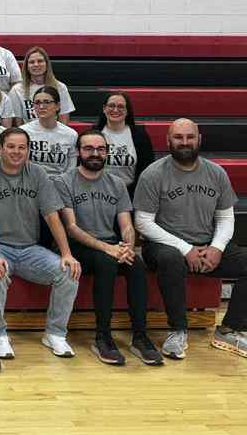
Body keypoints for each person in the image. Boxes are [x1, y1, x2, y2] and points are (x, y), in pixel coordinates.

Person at [134, 118, 247, 360]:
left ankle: (229, 329)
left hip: (206, 246)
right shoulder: (153, 174)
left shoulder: (216, 173)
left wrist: (216, 248)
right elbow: (142, 222)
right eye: (178, 137)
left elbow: (226, 217)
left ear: (199, 139)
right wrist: (186, 249)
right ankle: (178, 330)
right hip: (164, 246)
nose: (185, 142)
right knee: (171, 258)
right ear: (168, 141)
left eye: (190, 137)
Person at [0, 127, 81, 359]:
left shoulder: (38, 174)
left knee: (69, 271)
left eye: (22, 147)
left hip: (29, 249)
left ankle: (55, 333)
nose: (16, 152)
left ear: (29, 150)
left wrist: (66, 253)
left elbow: (52, 216)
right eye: (11, 146)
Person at [55, 130, 163, 366]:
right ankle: (103, 336)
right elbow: (71, 227)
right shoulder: (64, 181)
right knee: (106, 262)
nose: (95, 154)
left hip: (110, 245)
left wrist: (127, 248)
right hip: (78, 246)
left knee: (136, 264)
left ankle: (140, 336)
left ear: (107, 152)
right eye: (89, 149)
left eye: (100, 149)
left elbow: (126, 225)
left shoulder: (117, 183)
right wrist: (108, 249)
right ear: (78, 152)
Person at [94, 91, 154, 195]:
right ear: (104, 108)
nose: (115, 110)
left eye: (121, 106)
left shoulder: (140, 135)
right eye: (111, 105)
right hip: (98, 193)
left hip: (132, 194)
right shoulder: (94, 133)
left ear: (127, 111)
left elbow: (147, 169)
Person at [7, 46, 75, 125]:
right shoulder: (16, 90)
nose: (36, 64)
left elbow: (64, 118)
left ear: (47, 64)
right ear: (27, 66)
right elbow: (18, 122)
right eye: (32, 62)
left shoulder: (60, 87)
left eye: (40, 61)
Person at [20, 86, 77, 177]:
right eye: (37, 103)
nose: (41, 106)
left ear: (58, 106)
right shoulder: (23, 131)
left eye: (47, 102)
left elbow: (71, 168)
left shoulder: (71, 134)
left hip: (59, 184)